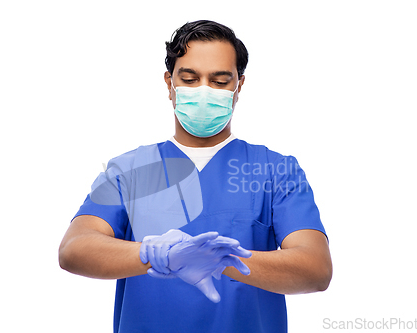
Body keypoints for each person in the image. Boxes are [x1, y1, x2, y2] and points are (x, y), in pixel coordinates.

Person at [59, 20, 332, 333]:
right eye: (189, 79)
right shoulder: (130, 170)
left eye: (219, 81)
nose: (203, 91)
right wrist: (161, 256)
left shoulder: (276, 171)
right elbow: (74, 248)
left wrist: (219, 260)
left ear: (238, 86)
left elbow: (315, 268)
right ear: (169, 82)